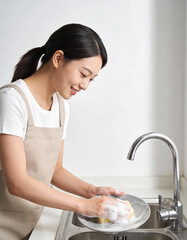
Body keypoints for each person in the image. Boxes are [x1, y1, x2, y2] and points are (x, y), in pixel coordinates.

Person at [0, 23, 125, 240]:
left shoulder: (60, 105)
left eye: (91, 80)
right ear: (58, 58)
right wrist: (84, 206)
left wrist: (93, 192)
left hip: (32, 224)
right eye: (84, 74)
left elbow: (55, 171)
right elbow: (17, 182)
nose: (85, 85)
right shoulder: (12, 100)